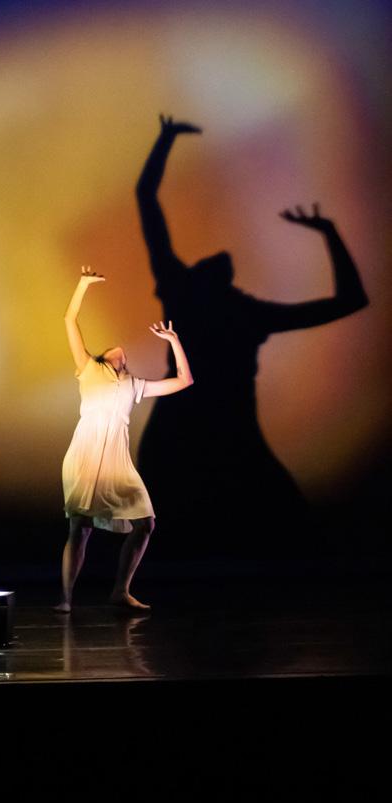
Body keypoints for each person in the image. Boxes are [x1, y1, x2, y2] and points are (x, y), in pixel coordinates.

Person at [135, 114, 368, 556]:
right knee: (201, 523)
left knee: (221, 523)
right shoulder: (234, 308)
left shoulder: (199, 297)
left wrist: (165, 139)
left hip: (203, 429)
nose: (218, 258)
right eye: (211, 263)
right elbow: (349, 301)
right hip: (201, 429)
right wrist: (330, 233)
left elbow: (147, 197)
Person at [54, 266, 194, 613]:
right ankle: (66, 599)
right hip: (87, 454)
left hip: (117, 461)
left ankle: (121, 590)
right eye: (115, 351)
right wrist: (83, 284)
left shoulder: (134, 385)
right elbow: (69, 320)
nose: (122, 353)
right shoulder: (89, 369)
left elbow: (184, 380)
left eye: (125, 355)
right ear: (103, 357)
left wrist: (174, 341)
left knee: (146, 524)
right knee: (80, 527)